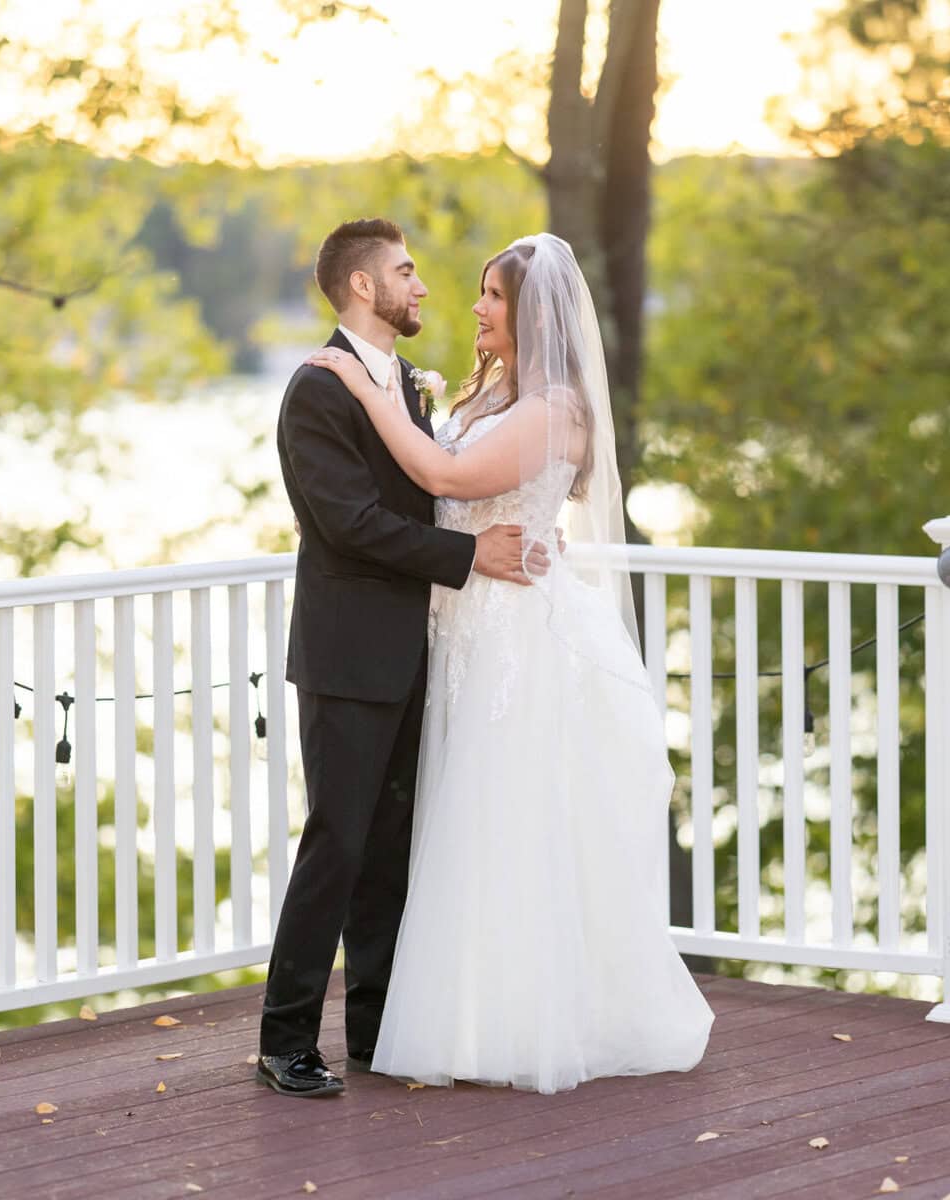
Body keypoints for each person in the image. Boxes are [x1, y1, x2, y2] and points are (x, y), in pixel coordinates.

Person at [304, 232, 712, 1095]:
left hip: (513, 632)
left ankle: (523, 1020)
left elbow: (445, 477)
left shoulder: (556, 407)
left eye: (491, 296)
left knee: (505, 814)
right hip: (459, 626)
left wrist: (363, 385)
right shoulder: (496, 393)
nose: (475, 307)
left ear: (529, 311)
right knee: (454, 823)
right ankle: (456, 1011)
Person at [257, 219, 549, 1098]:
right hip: (349, 653)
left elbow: (437, 492)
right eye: (405, 272)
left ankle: (378, 1032)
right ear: (361, 288)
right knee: (336, 843)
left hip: (421, 649)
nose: (423, 287)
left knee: (392, 849)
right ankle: (285, 1041)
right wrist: (469, 560)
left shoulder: (408, 389)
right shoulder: (318, 391)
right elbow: (346, 524)